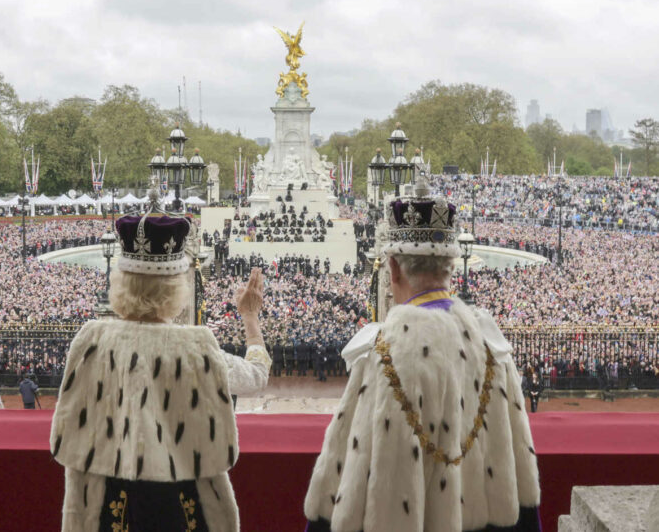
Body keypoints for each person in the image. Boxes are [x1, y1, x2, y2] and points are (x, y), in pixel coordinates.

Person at [304, 179, 541, 531]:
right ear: (449, 267)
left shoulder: (380, 351)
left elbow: (347, 468)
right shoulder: (492, 346)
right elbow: (520, 470)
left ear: (394, 269)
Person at [50, 206, 271, 531]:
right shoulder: (197, 347)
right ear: (174, 288)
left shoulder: (91, 340)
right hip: (182, 504)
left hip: (108, 503)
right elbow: (256, 377)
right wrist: (251, 319)